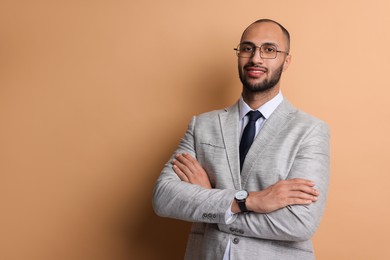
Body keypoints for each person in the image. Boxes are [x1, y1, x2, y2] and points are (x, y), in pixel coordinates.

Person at [152, 19, 330, 260]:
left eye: (269, 50)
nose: (256, 58)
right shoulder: (202, 125)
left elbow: (300, 222)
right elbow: (164, 197)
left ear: (286, 61)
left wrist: (216, 207)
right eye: (247, 48)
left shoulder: (309, 130)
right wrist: (248, 201)